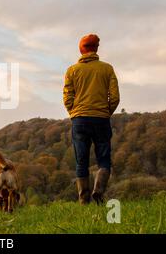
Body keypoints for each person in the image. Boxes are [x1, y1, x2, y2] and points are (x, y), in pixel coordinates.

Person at [63, 34, 120, 205]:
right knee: (104, 159)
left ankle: (83, 201)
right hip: (101, 119)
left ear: (81, 50)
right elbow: (115, 97)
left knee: (82, 160)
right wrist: (106, 112)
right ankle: (98, 191)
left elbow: (67, 97)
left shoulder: (72, 70)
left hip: (79, 120)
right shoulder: (107, 69)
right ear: (96, 48)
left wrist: (74, 112)